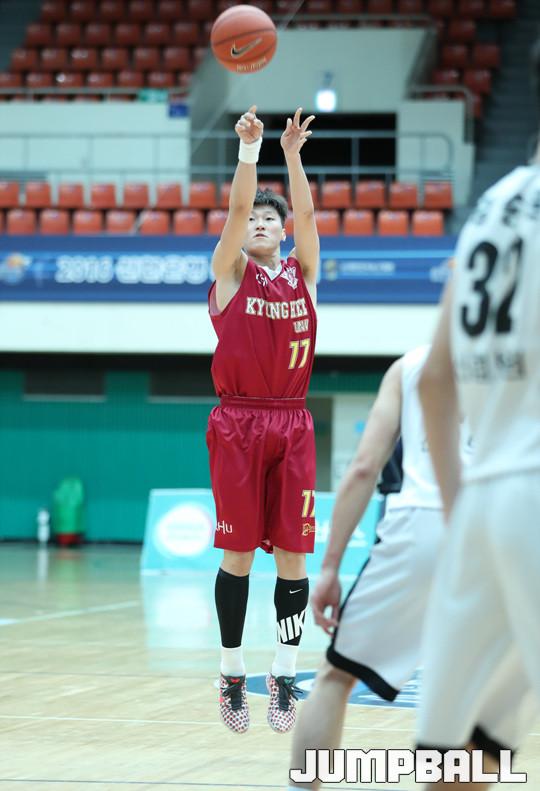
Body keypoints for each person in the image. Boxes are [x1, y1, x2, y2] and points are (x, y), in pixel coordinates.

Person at [415, 41, 540, 791]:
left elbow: (435, 380)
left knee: (457, 755)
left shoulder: (491, 205)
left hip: (485, 501)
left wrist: (461, 508)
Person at [288, 344, 471, 790]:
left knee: (335, 675)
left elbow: (364, 467)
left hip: (420, 524)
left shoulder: (410, 366)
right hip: (498, 528)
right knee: (465, 691)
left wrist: (329, 567)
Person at [206, 105, 319, 735]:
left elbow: (308, 217)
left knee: (294, 557)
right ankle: (230, 673)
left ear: (282, 230)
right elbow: (233, 212)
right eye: (253, 218)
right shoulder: (229, 273)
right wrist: (250, 153)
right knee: (240, 554)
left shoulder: (304, 275)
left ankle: (284, 673)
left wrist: (292, 156)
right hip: (239, 423)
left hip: (292, 424)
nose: (259, 223)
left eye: (269, 218)